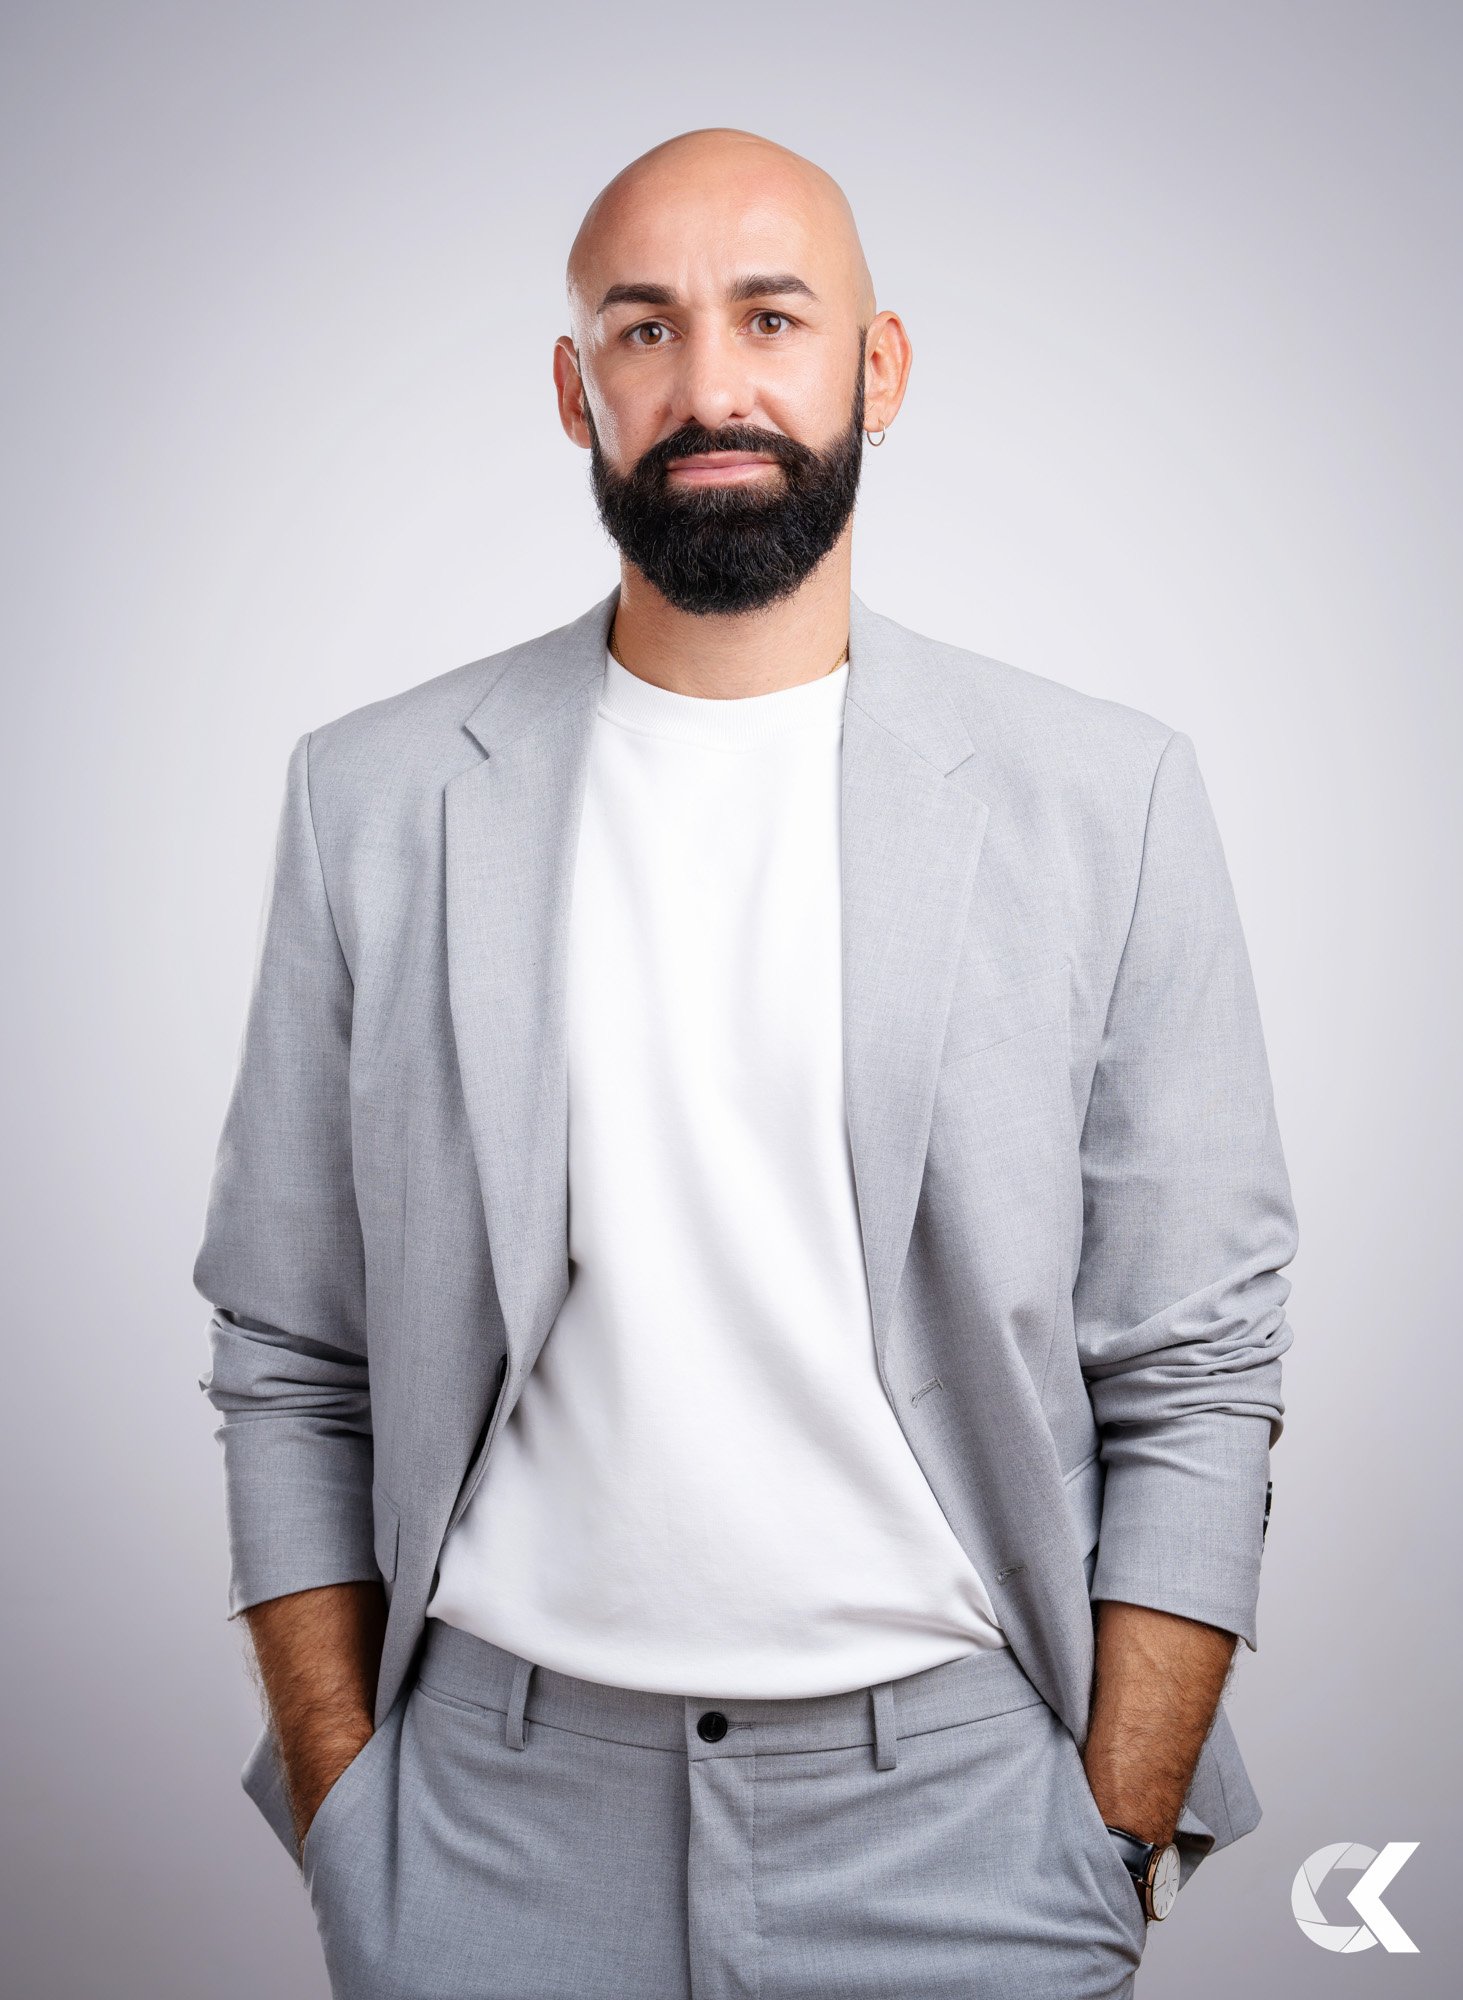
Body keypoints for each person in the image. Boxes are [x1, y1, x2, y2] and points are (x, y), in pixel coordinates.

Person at [195, 126, 1298, 2000]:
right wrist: (347, 1800)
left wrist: (1113, 1825)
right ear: (576, 389)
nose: (712, 385)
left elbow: (1199, 1360)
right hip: (486, 1823)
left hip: (965, 1820)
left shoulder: (1103, 801)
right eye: (645, 329)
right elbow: (292, 1345)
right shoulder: (370, 802)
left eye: (772, 318)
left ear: (878, 366)